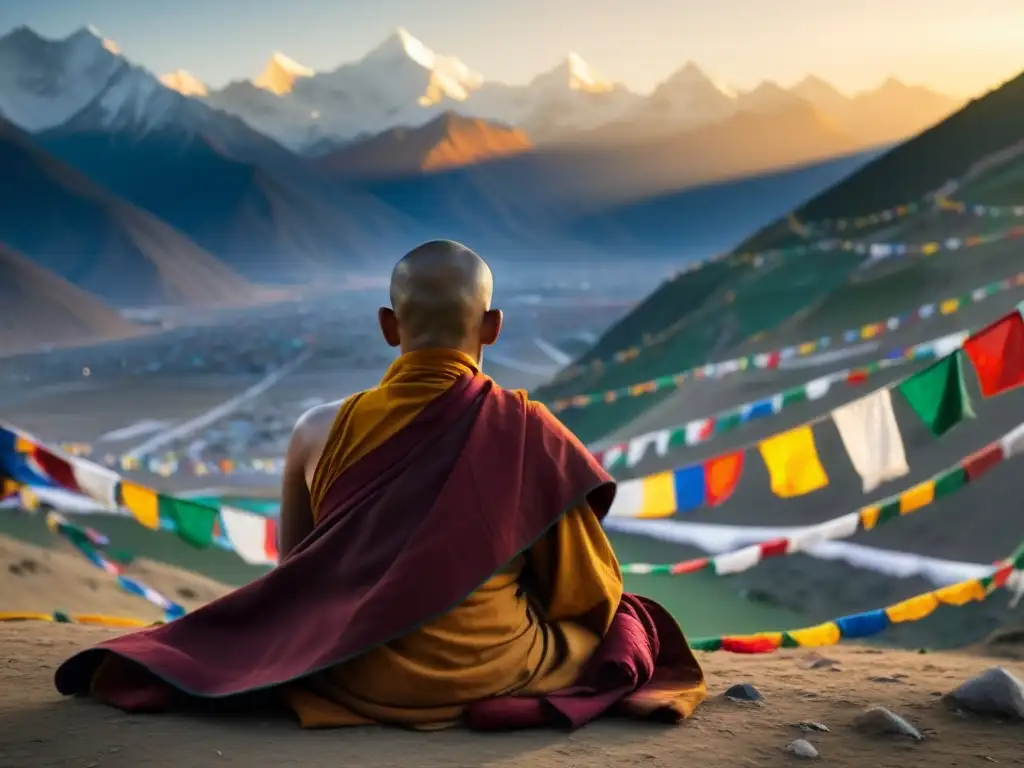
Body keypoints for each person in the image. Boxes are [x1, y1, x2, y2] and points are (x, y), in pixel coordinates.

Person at [54, 240, 707, 730]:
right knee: (625, 623)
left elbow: (299, 576)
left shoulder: (315, 430)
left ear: (389, 327)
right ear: (493, 326)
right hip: (489, 668)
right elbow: (584, 596)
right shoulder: (528, 430)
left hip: (347, 672)